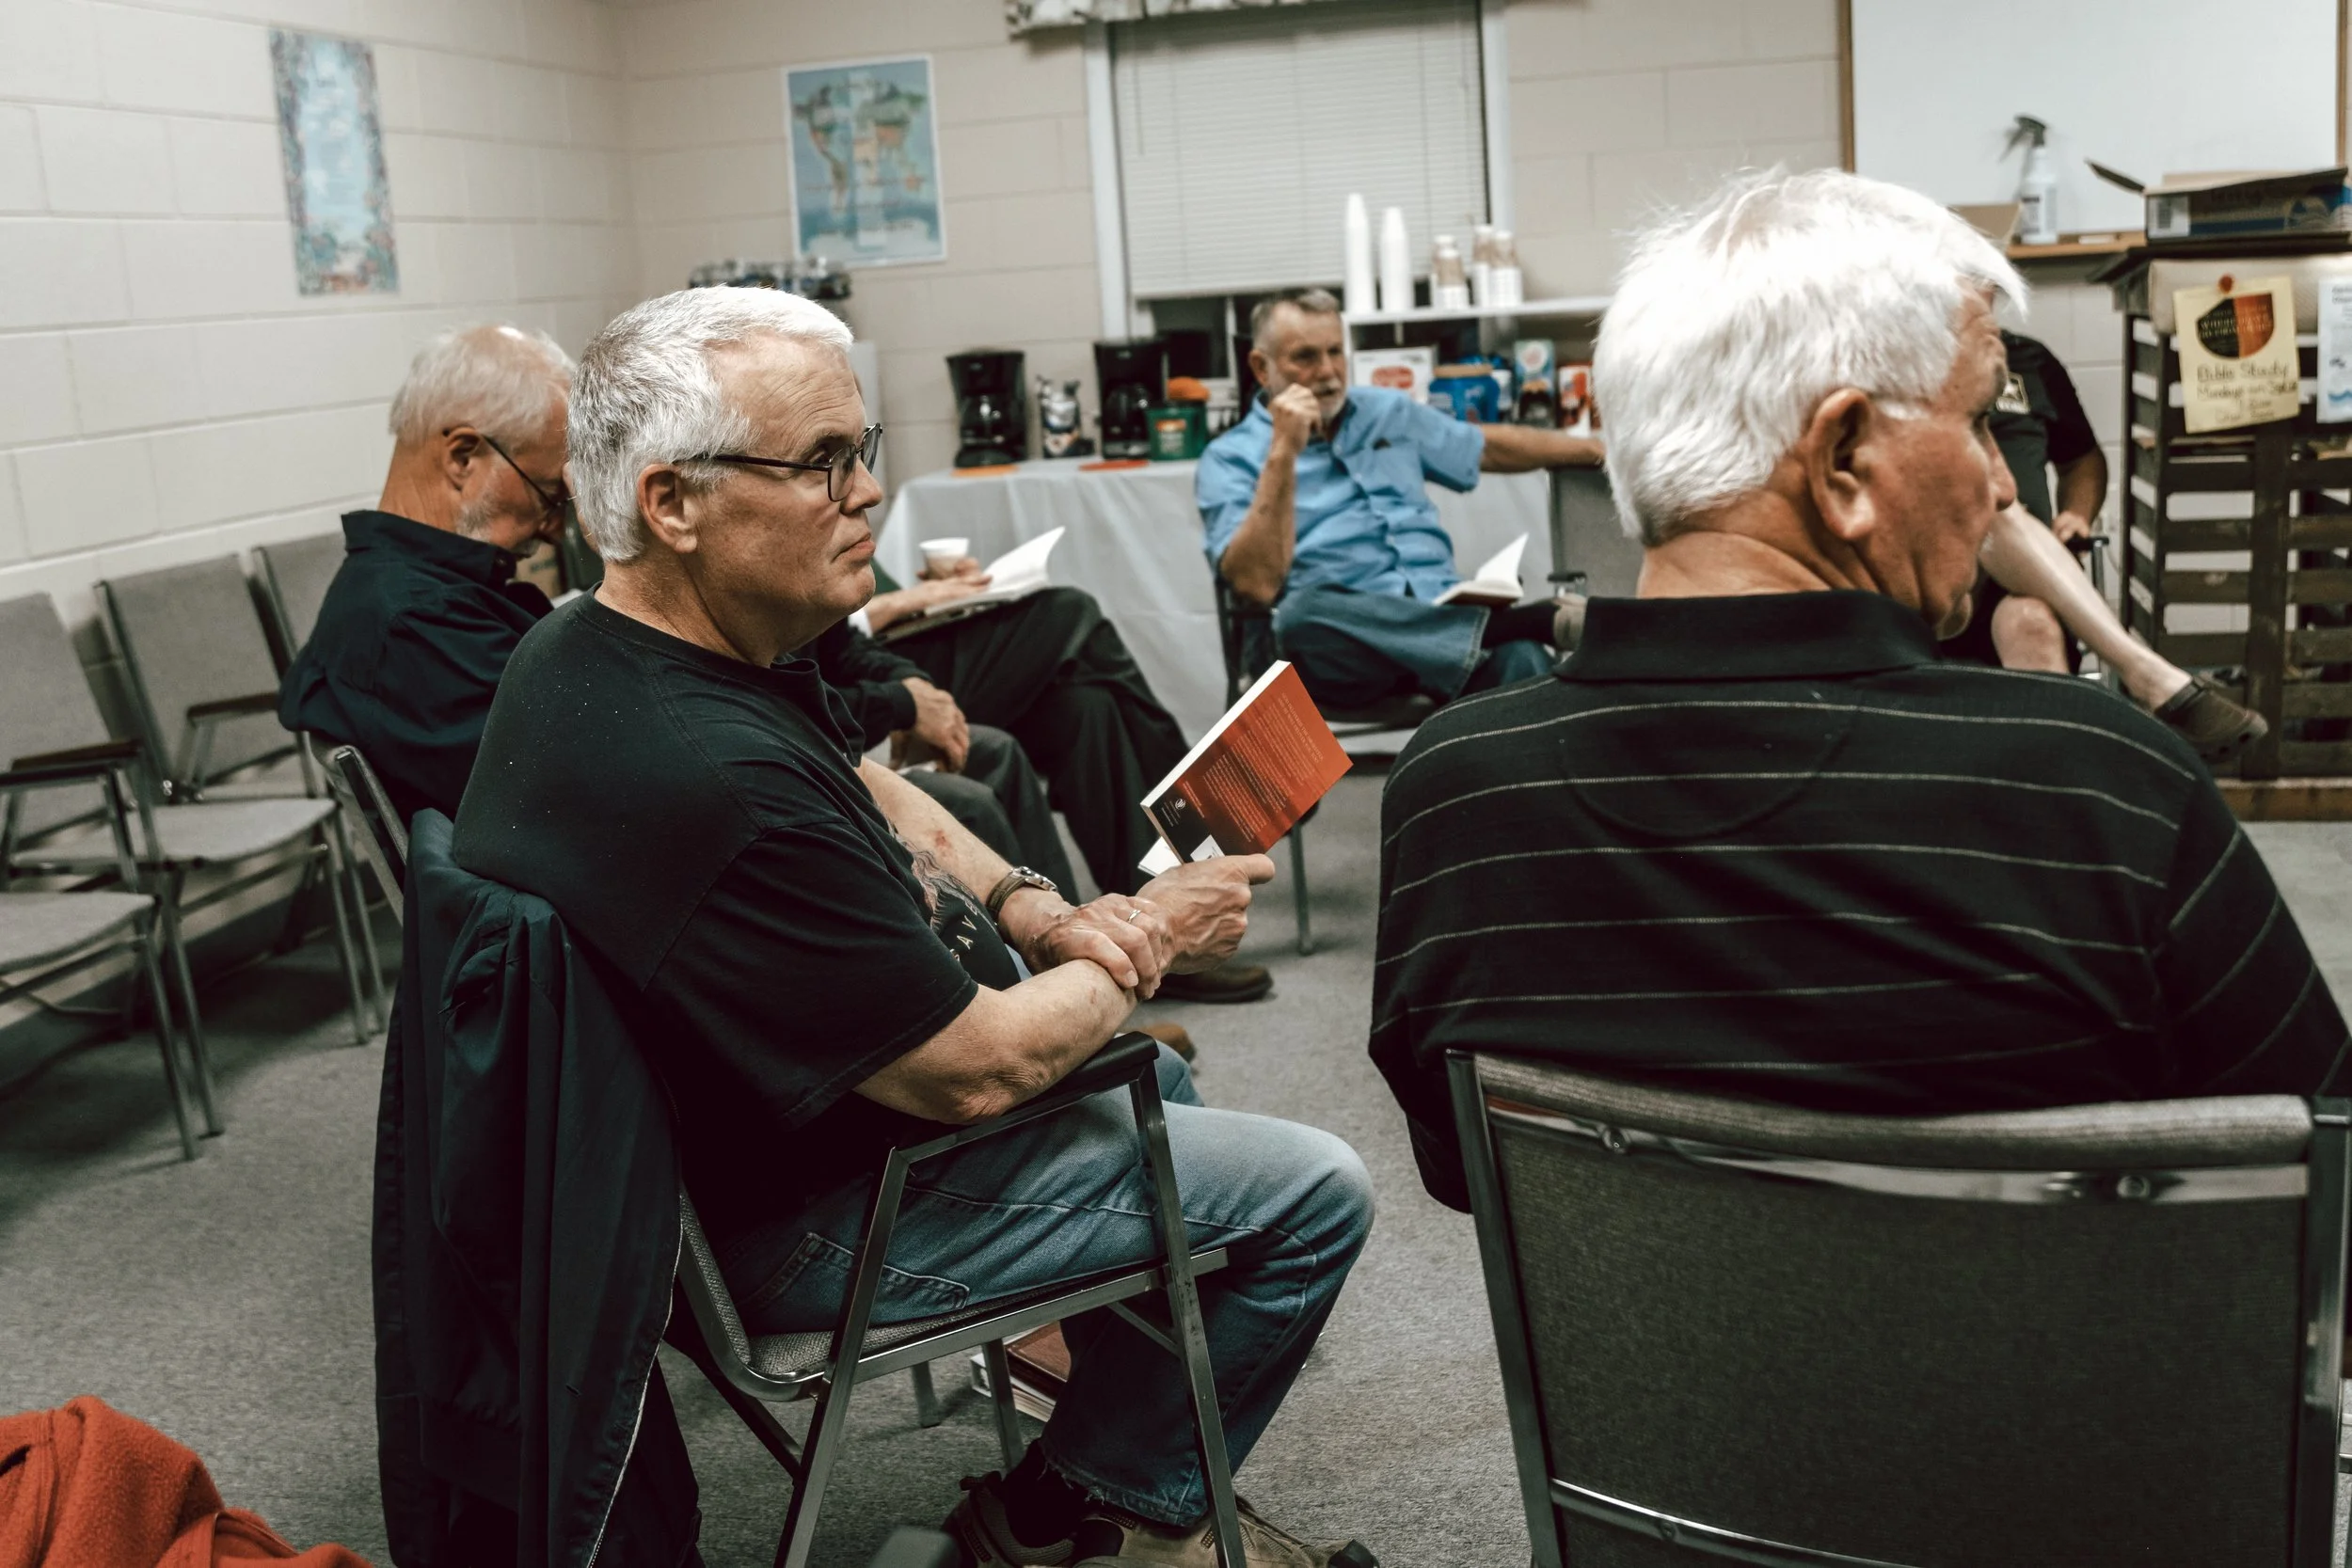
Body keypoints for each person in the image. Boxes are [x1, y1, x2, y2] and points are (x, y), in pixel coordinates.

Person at [451, 286, 1377, 1567]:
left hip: (698, 1179)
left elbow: (866, 773)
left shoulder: (592, 649)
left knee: (1154, 1074)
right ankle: (1092, 1505)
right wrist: (1148, 932)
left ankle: (1117, 1451)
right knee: (1312, 1191)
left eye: (861, 450)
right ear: (672, 502)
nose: (867, 495)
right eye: (821, 463)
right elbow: (978, 1062)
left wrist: (1033, 903)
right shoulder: (713, 782)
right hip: (809, 1221)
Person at [1369, 168, 2349, 1210]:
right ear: (1841, 459)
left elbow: (1470, 1176)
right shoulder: (2097, 788)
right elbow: (2326, 1190)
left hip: (1652, 1373)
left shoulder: (1458, 801)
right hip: (2047, 1371)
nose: (2004, 483)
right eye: (1978, 422)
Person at [832, 560, 1276, 1005]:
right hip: (856, 717)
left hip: (881, 673)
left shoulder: (821, 559)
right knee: (1070, 610)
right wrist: (902, 699)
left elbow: (841, 643)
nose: (866, 492)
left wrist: (911, 682)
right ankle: (1194, 811)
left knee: (1086, 707)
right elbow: (808, 689)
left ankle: (1137, 928)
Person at [1197, 287, 1605, 710]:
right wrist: (1283, 451)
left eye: (1335, 352)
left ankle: (1495, 653)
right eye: (1305, 357)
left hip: (1437, 614)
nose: (1329, 372)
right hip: (1342, 652)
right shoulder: (1228, 459)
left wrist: (1599, 452)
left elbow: (1486, 447)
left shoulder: (1386, 412)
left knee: (1522, 659)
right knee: (1301, 616)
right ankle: (1517, 624)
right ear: (1262, 369)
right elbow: (1255, 587)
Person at [277, 324, 576, 824]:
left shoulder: (407, 595)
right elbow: (582, 799)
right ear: (463, 457)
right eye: (548, 495)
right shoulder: (418, 623)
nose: (553, 531)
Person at [1942, 328, 2265, 761]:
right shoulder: (1899, 359)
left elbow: (2081, 457)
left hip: (2019, 582)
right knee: (1988, 501)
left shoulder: (2026, 358)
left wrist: (2076, 513)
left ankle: (2063, 794)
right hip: (1930, 581)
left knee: (2031, 622)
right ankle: (2149, 675)